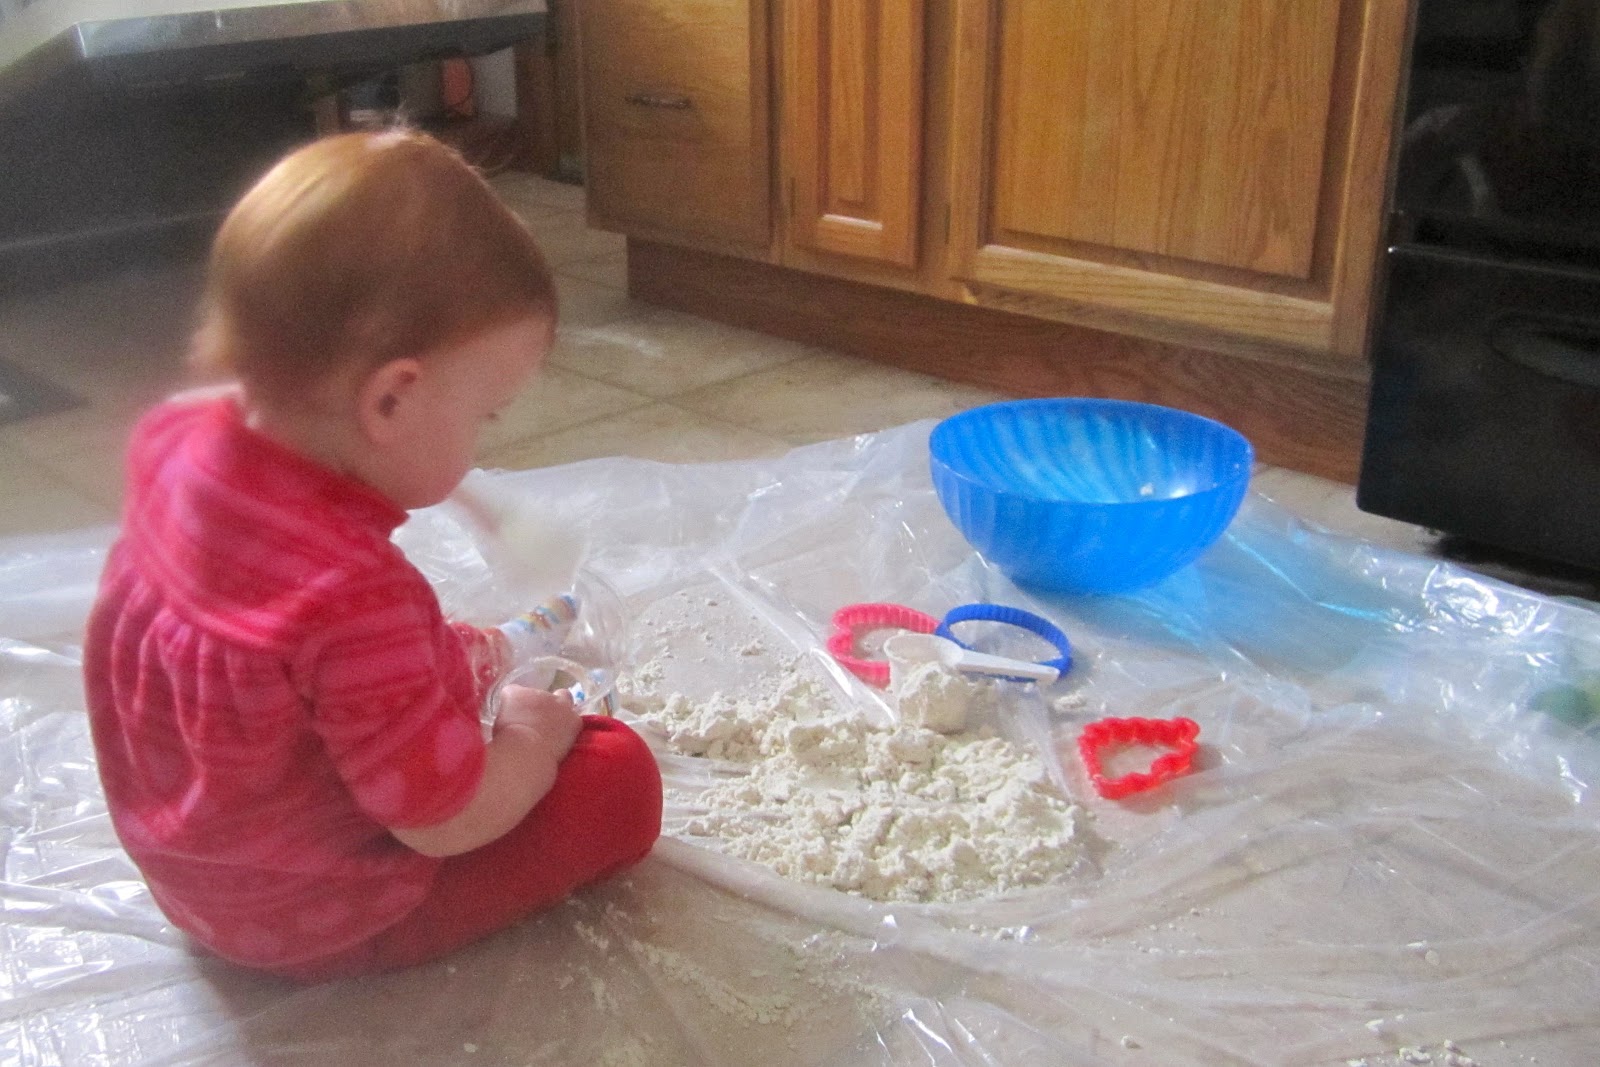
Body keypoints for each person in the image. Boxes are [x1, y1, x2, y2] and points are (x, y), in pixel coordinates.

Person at [81, 130, 663, 982]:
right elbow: (447, 820)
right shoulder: (353, 597)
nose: (480, 444)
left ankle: (468, 668)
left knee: (399, 670)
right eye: (485, 416)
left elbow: (280, 655)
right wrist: (533, 744)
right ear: (391, 398)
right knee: (619, 775)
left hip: (191, 869)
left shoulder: (177, 440)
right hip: (320, 918)